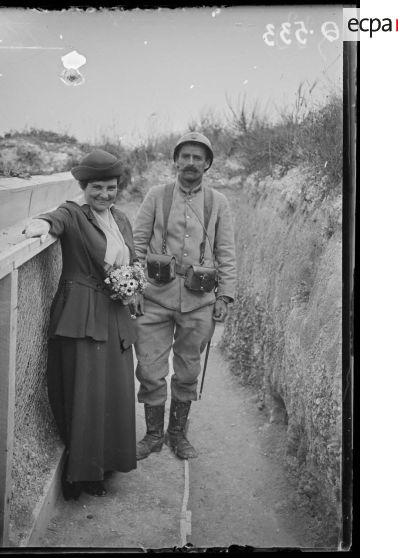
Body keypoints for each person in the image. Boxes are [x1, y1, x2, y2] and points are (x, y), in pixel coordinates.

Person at [23, 149, 138, 500]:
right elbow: (53, 219)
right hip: (83, 315)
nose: (105, 195)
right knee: (86, 392)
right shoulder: (74, 213)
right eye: (97, 188)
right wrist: (40, 225)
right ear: (84, 187)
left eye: (111, 187)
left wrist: (134, 284)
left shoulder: (121, 220)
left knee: (114, 390)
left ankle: (107, 463)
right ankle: (82, 475)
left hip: (114, 314)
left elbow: (131, 258)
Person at [132, 132, 237, 460]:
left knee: (189, 370)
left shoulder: (218, 202)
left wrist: (226, 297)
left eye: (198, 158)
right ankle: (152, 436)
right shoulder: (156, 195)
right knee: (149, 368)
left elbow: (226, 252)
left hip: (199, 301)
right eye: (185, 156)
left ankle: (177, 433)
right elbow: (137, 244)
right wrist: (135, 288)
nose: (191, 163)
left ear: (207, 164)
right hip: (155, 297)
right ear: (176, 161)